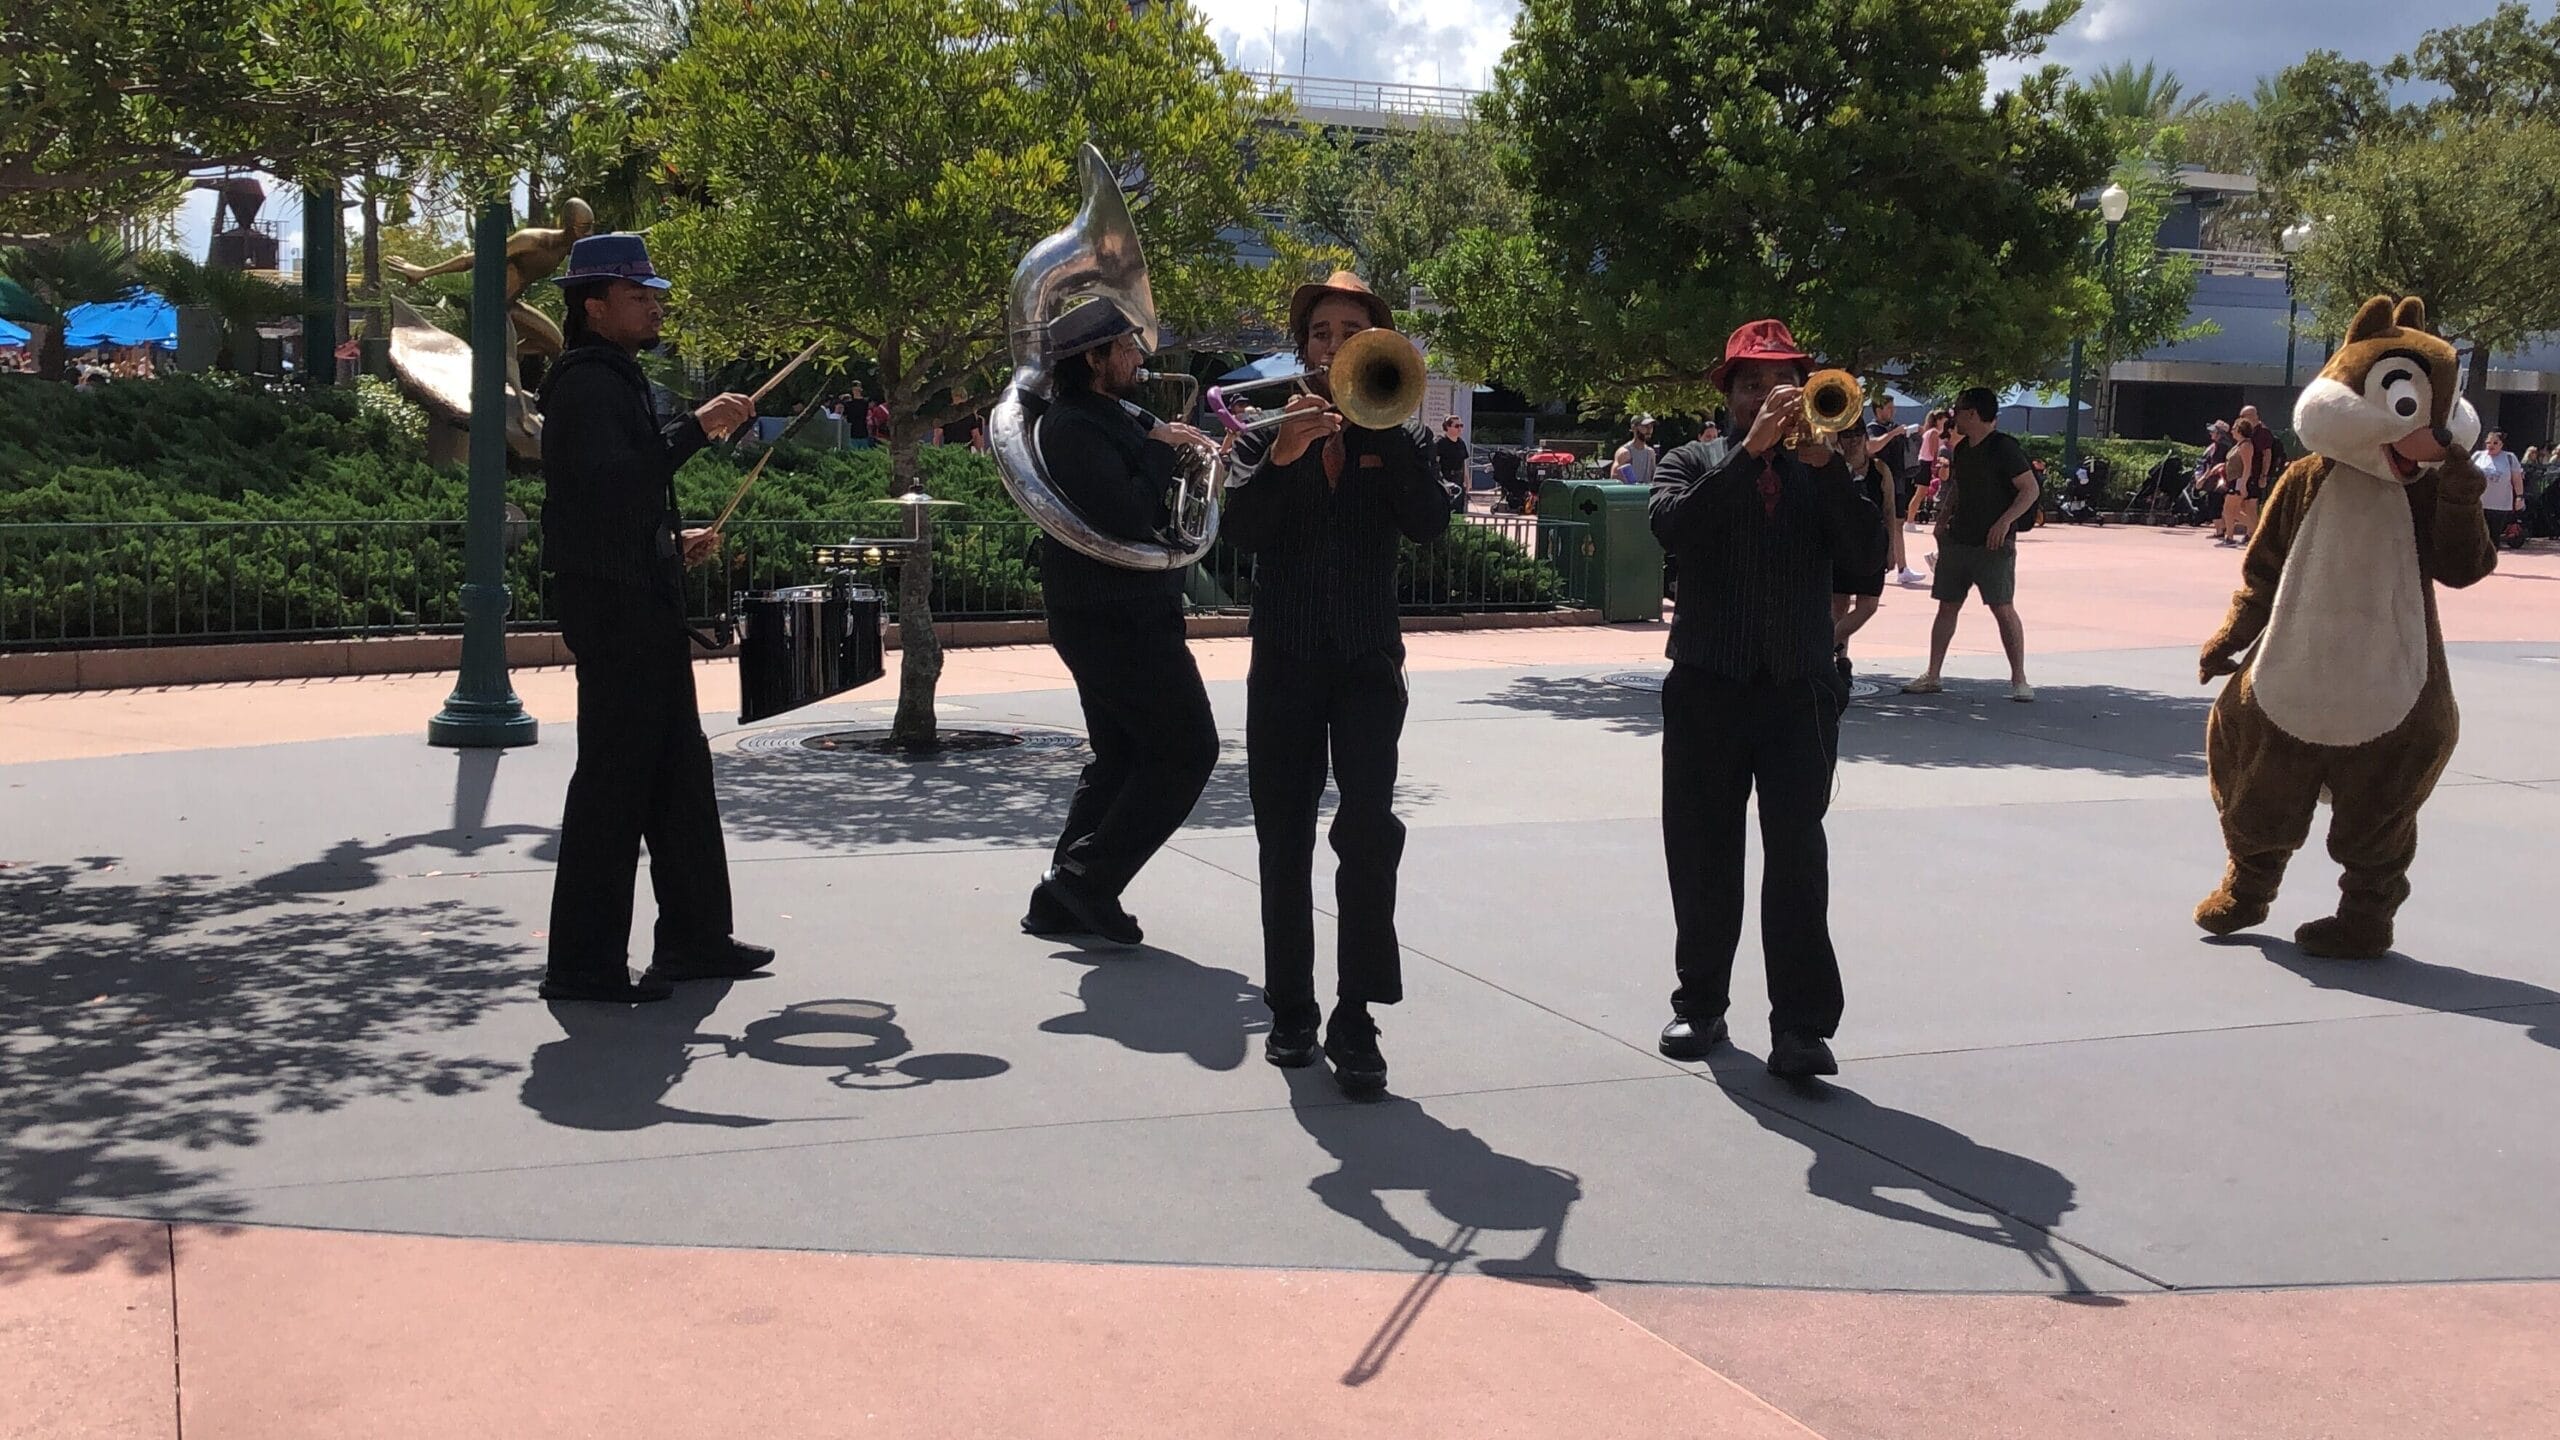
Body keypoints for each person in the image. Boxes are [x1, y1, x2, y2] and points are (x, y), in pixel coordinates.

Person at [1223, 271, 1450, 1095]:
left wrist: (1385, 435)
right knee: (1282, 839)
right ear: (1304, 345)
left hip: (1365, 663)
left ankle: (1357, 1013)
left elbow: (1429, 525)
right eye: (1322, 333)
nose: (1333, 345)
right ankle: (1292, 1008)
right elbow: (1242, 535)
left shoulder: (1401, 435)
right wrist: (1282, 459)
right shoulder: (1260, 434)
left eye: (1350, 331)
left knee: (1365, 834)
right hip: (1283, 660)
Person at [536, 232, 772, 1004]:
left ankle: (695, 940)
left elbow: (617, 500)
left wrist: (668, 541)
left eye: (654, 294)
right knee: (614, 783)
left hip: (639, 595)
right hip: (616, 608)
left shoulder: (615, 377)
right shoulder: (584, 384)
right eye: (639, 296)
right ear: (593, 305)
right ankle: (583, 964)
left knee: (678, 778)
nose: (654, 305)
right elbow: (606, 488)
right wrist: (694, 430)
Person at [1649, 319, 1884, 1079]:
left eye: (1782, 381)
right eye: (1752, 383)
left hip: (1798, 691)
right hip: (1707, 686)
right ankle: (1700, 1007)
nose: (1768, 396)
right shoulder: (1693, 461)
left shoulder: (1823, 472)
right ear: (1727, 394)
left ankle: (1803, 1030)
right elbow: (1677, 532)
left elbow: (1866, 566)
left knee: (1797, 860)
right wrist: (1750, 459)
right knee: (1702, 852)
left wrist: (1830, 471)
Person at [1023, 303, 1221, 947]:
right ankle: (1086, 881)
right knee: (1189, 750)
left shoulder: (1112, 416)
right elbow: (1130, 514)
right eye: (1127, 349)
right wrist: (1163, 453)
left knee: (1121, 756)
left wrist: (1183, 455)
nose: (1140, 359)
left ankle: (1060, 897)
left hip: (1120, 611)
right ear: (1093, 359)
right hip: (1114, 616)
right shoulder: (1074, 426)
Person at [1903, 386, 2038, 702]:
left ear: (1973, 414)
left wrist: (2004, 522)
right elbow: (1958, 489)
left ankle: (2019, 679)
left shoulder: (2004, 448)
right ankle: (1933, 674)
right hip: (1958, 540)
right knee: (1947, 606)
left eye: (1959, 410)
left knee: (2002, 607)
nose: (1954, 416)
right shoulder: (1963, 450)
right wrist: (1942, 521)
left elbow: (2029, 489)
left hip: (1993, 545)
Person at [1830, 425, 1900, 691]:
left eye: (1858, 435)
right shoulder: (1832, 467)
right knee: (1838, 607)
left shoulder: (1880, 469)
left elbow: (1890, 509)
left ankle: (1825, 644)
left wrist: (1892, 548)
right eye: (1847, 436)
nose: (1854, 441)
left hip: (1872, 544)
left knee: (1868, 605)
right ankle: (1840, 660)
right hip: (1842, 545)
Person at [2474, 430, 2526, 548]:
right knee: (2478, 535)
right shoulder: (2478, 456)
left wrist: (2520, 497)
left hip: (2500, 505)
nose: (2490, 446)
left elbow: (2517, 479)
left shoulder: (2509, 458)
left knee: (2493, 537)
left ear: (2501, 444)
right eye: (2488, 443)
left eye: (2495, 443)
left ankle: (2490, 562)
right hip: (2479, 503)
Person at [1435, 415, 1473, 513]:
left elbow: (1464, 462)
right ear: (1447, 427)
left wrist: (1467, 480)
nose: (1460, 429)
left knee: (1459, 509)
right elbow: (1435, 462)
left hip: (1459, 480)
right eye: (1457, 426)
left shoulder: (1461, 443)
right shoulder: (1440, 443)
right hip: (1445, 480)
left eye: (1461, 425)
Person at [1614, 414, 1659, 485]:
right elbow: (1615, 479)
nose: (1649, 429)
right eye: (1645, 426)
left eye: (1651, 426)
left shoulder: (1651, 453)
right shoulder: (1624, 452)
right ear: (1634, 427)